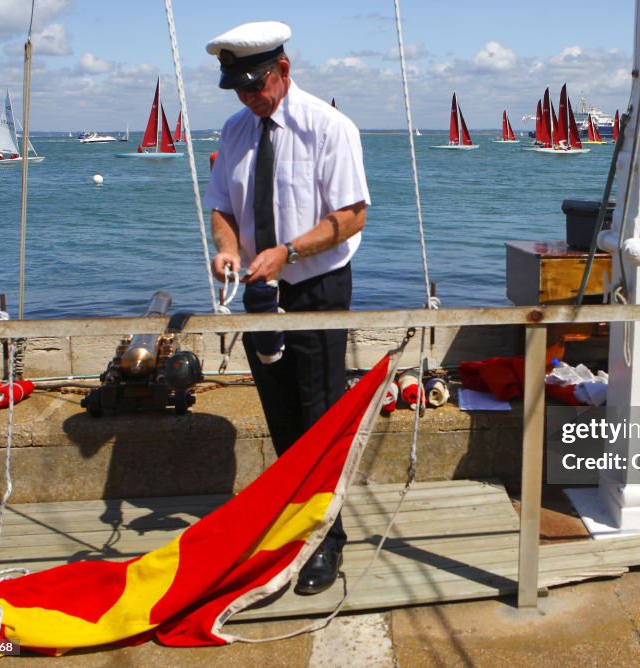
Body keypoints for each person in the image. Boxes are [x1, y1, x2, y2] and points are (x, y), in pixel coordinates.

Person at [203, 20, 370, 595]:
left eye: (256, 85)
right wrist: (228, 251)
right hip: (259, 290)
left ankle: (328, 541)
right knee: (280, 414)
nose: (250, 98)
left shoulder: (330, 128)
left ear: (284, 70)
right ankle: (292, 526)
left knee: (319, 414)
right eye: (239, 89)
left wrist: (287, 252)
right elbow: (222, 205)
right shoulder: (235, 130)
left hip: (316, 288)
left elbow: (351, 216)